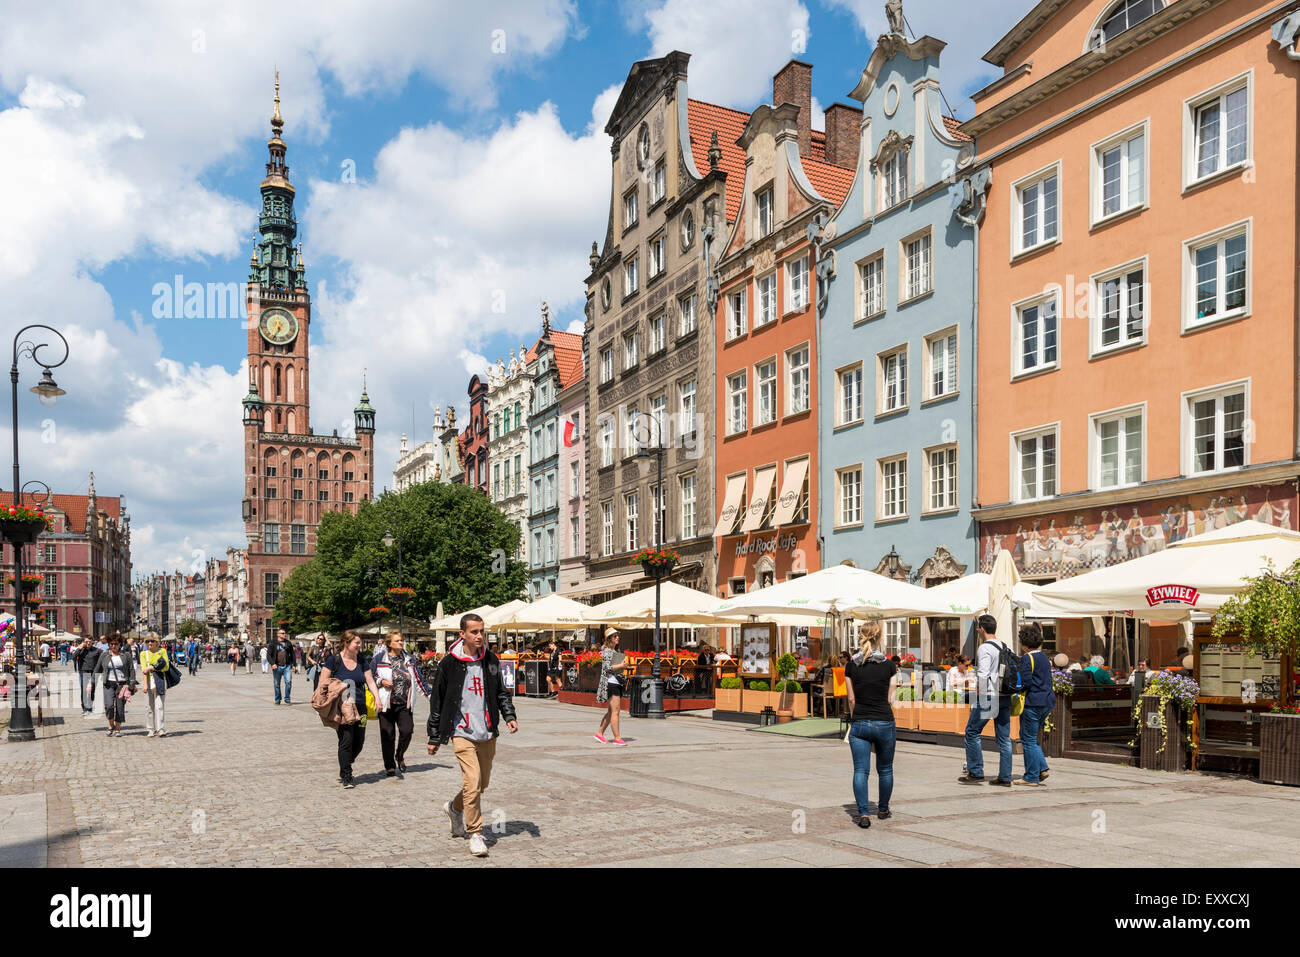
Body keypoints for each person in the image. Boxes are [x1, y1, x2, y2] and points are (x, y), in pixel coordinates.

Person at [427, 614, 518, 858]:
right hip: (462, 732)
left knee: (481, 784)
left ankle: (454, 808)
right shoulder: (449, 663)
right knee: (472, 782)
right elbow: (437, 702)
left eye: (482, 631)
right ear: (463, 634)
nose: (480, 636)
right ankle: (475, 833)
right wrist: (434, 736)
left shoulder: (490, 659)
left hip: (487, 731)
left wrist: (509, 715)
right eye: (475, 632)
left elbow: (501, 692)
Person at [845, 624, 898, 827]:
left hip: (859, 722)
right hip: (884, 721)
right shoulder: (889, 665)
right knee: (885, 769)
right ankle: (883, 809)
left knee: (860, 770)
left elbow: (851, 699)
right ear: (880, 637)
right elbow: (891, 698)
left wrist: (856, 718)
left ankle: (864, 814)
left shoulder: (852, 665)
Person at [319, 631, 380, 788]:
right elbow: (323, 683)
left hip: (361, 705)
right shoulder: (334, 660)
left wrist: (378, 699)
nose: (359, 646)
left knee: (359, 742)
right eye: (357, 643)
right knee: (346, 740)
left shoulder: (361, 660)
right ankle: (347, 775)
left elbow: (370, 681)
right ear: (346, 643)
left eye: (359, 643)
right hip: (343, 707)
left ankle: (345, 760)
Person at [959, 614, 1014, 787]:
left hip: (989, 695)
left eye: (978, 628)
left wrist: (980, 695)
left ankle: (975, 773)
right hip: (1004, 695)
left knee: (972, 732)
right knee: (1004, 738)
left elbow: (982, 673)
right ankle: (1005, 777)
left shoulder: (984, 648)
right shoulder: (1005, 646)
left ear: (981, 629)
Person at [370, 631, 430, 778]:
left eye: (402, 640)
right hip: (386, 703)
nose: (401, 643)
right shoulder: (379, 658)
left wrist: (430, 695)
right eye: (397, 641)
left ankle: (400, 755)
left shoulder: (409, 658)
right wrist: (381, 681)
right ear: (389, 643)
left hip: (404, 703)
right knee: (388, 735)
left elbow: (418, 678)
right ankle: (390, 766)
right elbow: (370, 676)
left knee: (407, 731)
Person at [1016, 623, 1055, 786]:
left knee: (1028, 739)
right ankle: (1041, 769)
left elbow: (1025, 682)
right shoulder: (1045, 658)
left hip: (1033, 702)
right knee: (1030, 737)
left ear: (1024, 643)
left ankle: (1031, 776)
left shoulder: (1027, 658)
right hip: (1047, 701)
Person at [594, 628, 631, 746]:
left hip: (616, 681)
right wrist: (620, 665)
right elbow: (607, 668)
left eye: (617, 636)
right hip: (611, 683)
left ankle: (599, 733)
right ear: (610, 639)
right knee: (615, 711)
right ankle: (617, 738)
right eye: (615, 636)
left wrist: (623, 667)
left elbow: (613, 667)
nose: (617, 638)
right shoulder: (607, 651)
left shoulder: (614, 651)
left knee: (611, 712)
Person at [93, 634, 135, 737]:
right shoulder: (104, 655)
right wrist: (92, 683)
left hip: (122, 685)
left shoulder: (126, 655)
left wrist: (132, 683)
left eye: (115, 644)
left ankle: (117, 729)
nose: (113, 646)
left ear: (120, 644)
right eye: (111, 644)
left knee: (120, 708)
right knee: (109, 705)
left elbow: (131, 669)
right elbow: (97, 669)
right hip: (108, 684)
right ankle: (111, 725)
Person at [138, 634, 171, 738]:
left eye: (152, 641)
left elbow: (166, 667)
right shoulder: (143, 654)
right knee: (149, 707)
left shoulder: (162, 652)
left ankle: (160, 728)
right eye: (147, 641)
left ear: (157, 642)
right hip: (148, 681)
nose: (150, 643)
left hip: (160, 680)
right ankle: (150, 729)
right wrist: (144, 685)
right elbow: (143, 670)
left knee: (160, 706)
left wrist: (151, 668)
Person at [72, 635, 101, 718]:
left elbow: (102, 660)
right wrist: (79, 648)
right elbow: (73, 657)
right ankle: (84, 708)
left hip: (93, 673)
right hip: (83, 672)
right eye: (86, 641)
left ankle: (90, 707)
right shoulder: (81, 650)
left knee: (92, 691)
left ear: (92, 642)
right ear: (84, 642)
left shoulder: (97, 651)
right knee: (84, 691)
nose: (88, 643)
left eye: (90, 641)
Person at [268, 628, 297, 704]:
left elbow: (293, 654)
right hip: (277, 666)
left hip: (287, 666)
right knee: (277, 684)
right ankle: (277, 699)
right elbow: (268, 655)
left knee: (288, 682)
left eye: (285, 633)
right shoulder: (273, 643)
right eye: (282, 633)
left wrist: (294, 664)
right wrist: (272, 663)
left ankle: (287, 699)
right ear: (278, 634)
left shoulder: (288, 643)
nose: (285, 634)